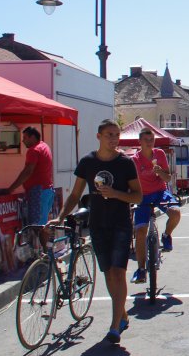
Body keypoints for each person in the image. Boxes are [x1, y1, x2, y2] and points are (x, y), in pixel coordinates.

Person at [53, 119, 141, 344]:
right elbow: (75, 195)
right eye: (109, 135)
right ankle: (122, 314)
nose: (114, 139)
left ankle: (114, 326)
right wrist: (60, 217)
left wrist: (116, 194)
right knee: (108, 273)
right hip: (97, 224)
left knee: (119, 272)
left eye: (117, 135)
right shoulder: (88, 162)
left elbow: (138, 196)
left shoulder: (126, 163)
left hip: (120, 223)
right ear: (98, 136)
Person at [129, 128, 181, 284]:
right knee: (140, 231)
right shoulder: (135, 160)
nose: (149, 143)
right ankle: (141, 270)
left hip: (160, 192)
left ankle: (166, 235)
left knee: (175, 212)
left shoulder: (159, 154)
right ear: (140, 141)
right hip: (142, 195)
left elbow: (168, 178)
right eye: (146, 140)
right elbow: (130, 182)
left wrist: (160, 172)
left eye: (151, 140)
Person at [6, 127, 56, 227]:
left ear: (32, 137)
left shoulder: (34, 150)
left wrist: (11, 188)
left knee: (37, 226)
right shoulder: (44, 146)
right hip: (48, 190)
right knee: (43, 224)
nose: (23, 141)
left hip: (38, 192)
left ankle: (40, 238)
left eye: (25, 138)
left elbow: (27, 171)